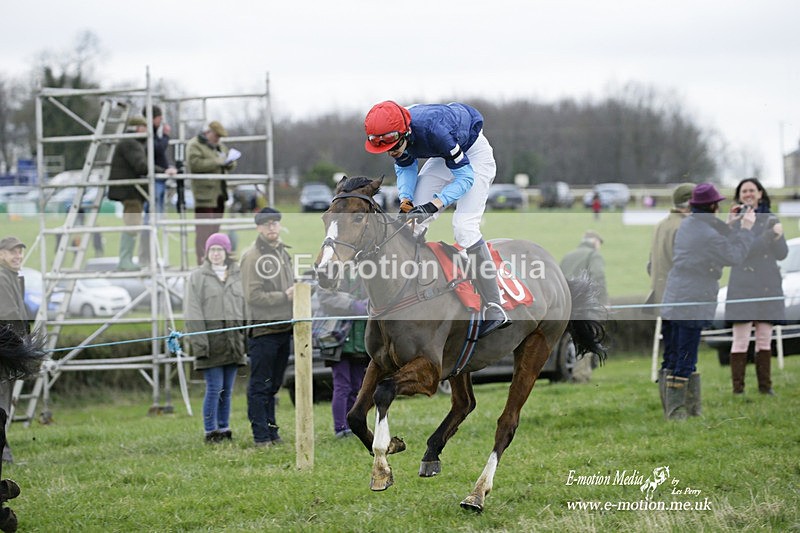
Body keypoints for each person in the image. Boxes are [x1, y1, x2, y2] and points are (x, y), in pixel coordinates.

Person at [363, 100, 510, 338]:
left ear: (405, 133)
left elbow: (465, 178)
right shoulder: (396, 131)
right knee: (412, 221)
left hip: (473, 155)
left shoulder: (434, 130)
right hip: (442, 156)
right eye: (385, 149)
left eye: (392, 146)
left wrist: (434, 205)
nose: (390, 152)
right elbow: (405, 166)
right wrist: (406, 200)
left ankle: (495, 306)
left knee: (464, 228)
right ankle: (408, 287)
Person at [660, 183, 756, 420]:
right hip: (693, 299)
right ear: (712, 206)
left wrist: (730, 225)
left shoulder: (689, 224)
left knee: (672, 355)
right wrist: (745, 229)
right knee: (686, 357)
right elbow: (734, 255)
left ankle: (684, 411)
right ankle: (678, 414)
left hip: (674, 296)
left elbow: (712, 235)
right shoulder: (707, 233)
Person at [725, 178, 787, 396]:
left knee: (764, 339)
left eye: (752, 190)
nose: (748, 194)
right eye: (744, 191)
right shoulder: (734, 222)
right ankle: (738, 390)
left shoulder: (771, 218)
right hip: (742, 286)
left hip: (768, 285)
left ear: (760, 193)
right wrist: (769, 236)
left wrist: (778, 237)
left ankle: (765, 387)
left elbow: (782, 254)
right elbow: (745, 251)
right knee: (740, 339)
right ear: (739, 196)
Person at [184, 233, 247, 443]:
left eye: (220, 249)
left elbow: (244, 309)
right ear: (207, 252)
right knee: (214, 389)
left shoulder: (237, 275)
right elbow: (192, 312)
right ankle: (210, 431)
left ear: (227, 252)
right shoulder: (197, 277)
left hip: (233, 343)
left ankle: (224, 428)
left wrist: (244, 339)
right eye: (212, 250)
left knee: (227, 391)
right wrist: (200, 344)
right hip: (211, 343)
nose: (216, 254)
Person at [240, 207, 294, 447]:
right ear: (259, 228)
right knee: (259, 385)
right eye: (267, 224)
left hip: (283, 329)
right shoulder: (252, 256)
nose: (272, 227)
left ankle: (272, 432)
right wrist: (285, 296)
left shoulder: (283, 252)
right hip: (263, 331)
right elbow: (253, 296)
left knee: (273, 385)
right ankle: (261, 436)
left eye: (275, 223)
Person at [646, 183, 695, 411]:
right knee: (683, 354)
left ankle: (671, 406)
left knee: (670, 353)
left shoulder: (660, 225)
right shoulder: (685, 226)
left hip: (662, 298)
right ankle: (680, 409)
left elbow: (650, 265)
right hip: (682, 298)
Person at [108, 116, 175, 270]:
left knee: (134, 223)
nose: (147, 131)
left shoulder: (132, 143)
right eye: (144, 127)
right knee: (132, 223)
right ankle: (125, 260)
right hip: (130, 192)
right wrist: (163, 171)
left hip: (132, 190)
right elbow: (141, 166)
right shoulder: (131, 143)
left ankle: (126, 259)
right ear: (137, 128)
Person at [316, 269, 369, 438]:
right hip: (338, 342)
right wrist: (352, 305)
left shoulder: (369, 273)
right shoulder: (332, 271)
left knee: (357, 387)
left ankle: (352, 427)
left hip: (361, 343)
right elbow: (325, 297)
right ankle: (340, 428)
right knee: (342, 386)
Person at [186, 121, 237, 265]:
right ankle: (202, 261)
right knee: (203, 231)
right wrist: (217, 161)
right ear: (208, 132)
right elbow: (194, 164)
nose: (218, 139)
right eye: (216, 136)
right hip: (204, 195)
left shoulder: (219, 146)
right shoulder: (195, 145)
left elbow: (228, 160)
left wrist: (229, 162)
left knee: (215, 231)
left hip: (219, 194)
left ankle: (214, 261)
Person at [559, 230, 607, 383]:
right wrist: (603, 301)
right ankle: (581, 376)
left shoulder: (568, 256)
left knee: (570, 339)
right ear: (595, 241)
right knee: (586, 337)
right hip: (585, 305)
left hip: (566, 304)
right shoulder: (593, 255)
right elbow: (598, 277)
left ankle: (566, 373)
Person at [0, 236, 30, 463]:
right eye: (13, 252)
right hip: (4, 352)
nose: (17, 256)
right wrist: (23, 347)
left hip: (8, 351)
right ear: (1, 254)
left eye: (20, 251)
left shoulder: (10, 276)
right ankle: (4, 456)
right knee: (1, 404)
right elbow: (9, 316)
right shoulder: (2, 278)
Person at [139, 105, 176, 264]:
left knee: (154, 220)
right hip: (155, 180)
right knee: (150, 220)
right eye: (159, 118)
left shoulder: (152, 132)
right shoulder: (147, 133)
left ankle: (150, 256)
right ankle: (147, 257)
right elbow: (156, 149)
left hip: (159, 179)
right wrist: (166, 136)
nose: (161, 121)